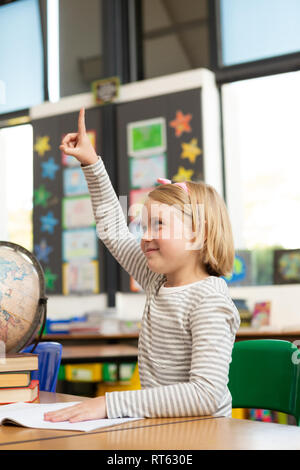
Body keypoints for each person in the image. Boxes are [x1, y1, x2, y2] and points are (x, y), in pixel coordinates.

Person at [44, 108, 240, 424]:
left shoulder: (209, 301)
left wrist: (109, 404)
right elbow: (112, 228)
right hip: (163, 428)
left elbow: (206, 394)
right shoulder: (156, 280)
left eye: (158, 225)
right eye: (144, 226)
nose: (145, 236)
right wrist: (91, 164)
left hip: (205, 436)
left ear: (199, 234)